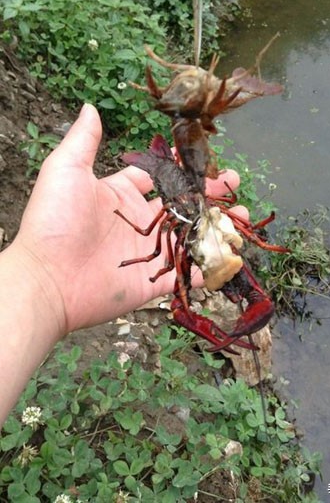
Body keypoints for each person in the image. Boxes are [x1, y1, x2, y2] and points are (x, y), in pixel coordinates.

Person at [0, 103, 245, 426]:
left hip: (188, 202)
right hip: (175, 198)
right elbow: (148, 232)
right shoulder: (164, 212)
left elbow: (150, 234)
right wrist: (43, 270)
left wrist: (44, 276)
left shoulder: (199, 200)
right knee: (183, 289)